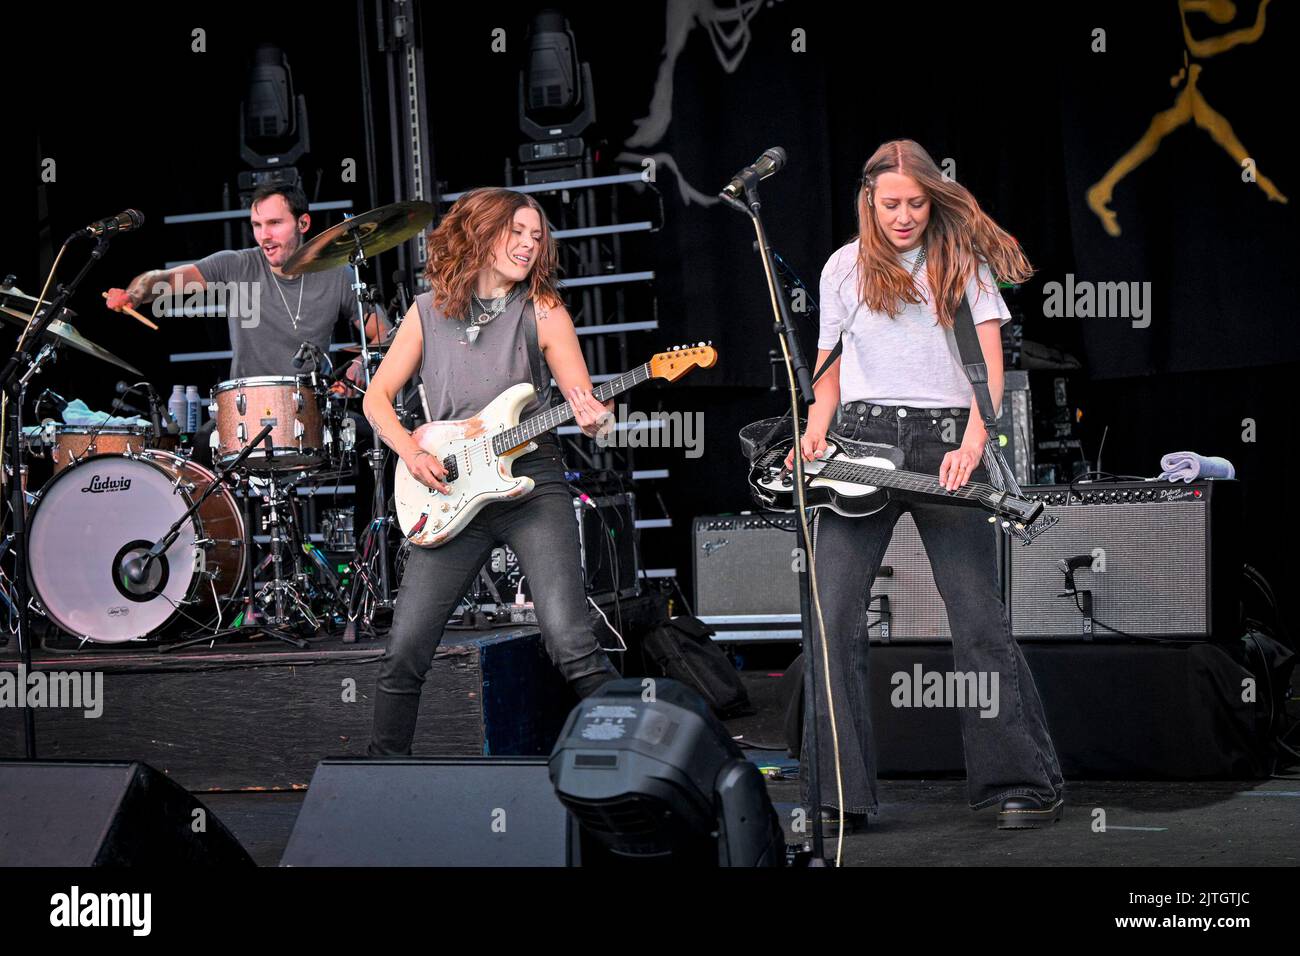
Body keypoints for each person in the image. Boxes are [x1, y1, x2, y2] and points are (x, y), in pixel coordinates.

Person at [791, 139, 1064, 831]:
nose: (904, 216)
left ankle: (1021, 784)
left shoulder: (960, 262)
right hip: (863, 440)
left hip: (947, 438)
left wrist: (976, 441)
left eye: (916, 203)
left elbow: (990, 364)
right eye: (891, 205)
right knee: (832, 616)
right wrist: (814, 428)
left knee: (977, 616)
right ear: (869, 202)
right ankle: (837, 797)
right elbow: (829, 366)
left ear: (933, 199)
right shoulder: (843, 268)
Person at [363, 187, 620, 755]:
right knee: (404, 650)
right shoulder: (427, 311)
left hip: (533, 488)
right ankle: (381, 780)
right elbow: (376, 397)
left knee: (570, 640)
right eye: (516, 232)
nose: (528, 244)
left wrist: (595, 419)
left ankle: (635, 756)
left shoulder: (544, 310)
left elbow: (581, 401)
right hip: (451, 488)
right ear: (480, 233)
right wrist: (412, 451)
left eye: (536, 236)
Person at [104, 184, 387, 534]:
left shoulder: (338, 276)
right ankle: (225, 563)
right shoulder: (237, 266)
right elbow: (161, 280)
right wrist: (134, 293)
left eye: (274, 223)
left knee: (379, 442)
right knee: (201, 449)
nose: (264, 236)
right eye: (256, 225)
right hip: (244, 416)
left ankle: (367, 555)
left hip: (312, 414)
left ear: (303, 224)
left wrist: (360, 364)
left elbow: (383, 336)